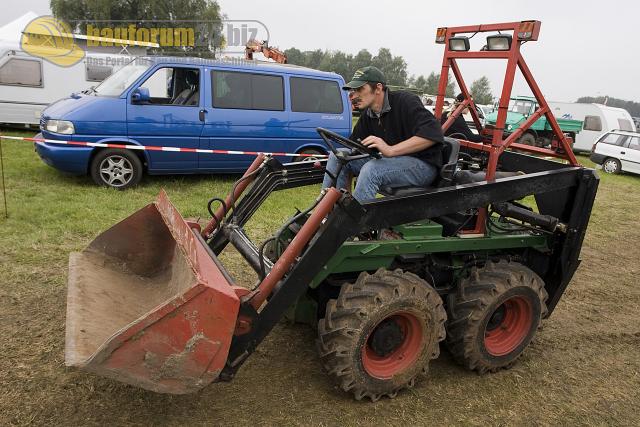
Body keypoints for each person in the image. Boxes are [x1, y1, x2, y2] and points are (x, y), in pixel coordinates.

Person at [321, 66, 445, 202]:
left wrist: (390, 150)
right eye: (353, 90)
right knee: (338, 156)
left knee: (372, 169)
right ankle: (329, 212)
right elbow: (353, 151)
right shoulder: (368, 115)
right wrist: (346, 196)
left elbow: (433, 133)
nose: (354, 95)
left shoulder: (405, 101)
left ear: (378, 88)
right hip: (393, 163)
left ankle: (354, 221)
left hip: (423, 166)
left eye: (359, 89)